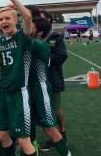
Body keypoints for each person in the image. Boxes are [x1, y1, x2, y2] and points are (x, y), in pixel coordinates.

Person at [0, 0, 36, 155]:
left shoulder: (23, 37)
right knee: (2, 134)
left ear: (15, 20)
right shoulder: (1, 40)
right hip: (3, 90)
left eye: (7, 18)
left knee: (23, 139)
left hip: (18, 92)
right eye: (0, 19)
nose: (3, 21)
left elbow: (28, 17)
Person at [29, 18, 71, 156]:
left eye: (32, 27)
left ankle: (66, 152)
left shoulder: (39, 44)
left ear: (40, 32)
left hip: (41, 89)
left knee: (48, 126)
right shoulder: (35, 42)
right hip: (31, 88)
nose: (29, 28)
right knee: (34, 123)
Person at [40, 19, 69, 152]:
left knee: (54, 109)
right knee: (47, 111)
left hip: (53, 79)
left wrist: (43, 56)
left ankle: (61, 136)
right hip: (40, 81)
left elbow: (61, 56)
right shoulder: (36, 37)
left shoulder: (55, 37)